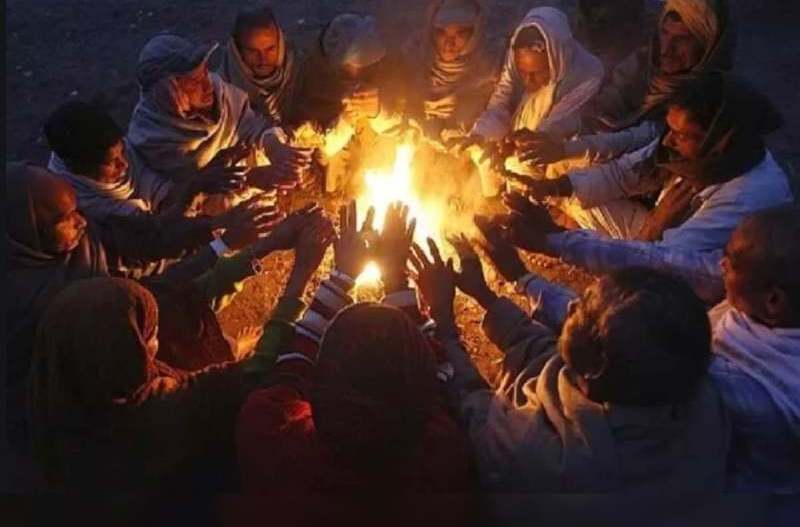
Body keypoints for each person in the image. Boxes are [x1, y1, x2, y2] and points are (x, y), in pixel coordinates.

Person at [488, 205, 800, 493]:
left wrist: (521, 281)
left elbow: (612, 339)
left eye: (730, 262)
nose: (720, 263)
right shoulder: (766, 300)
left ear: (773, 301)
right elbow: (663, 262)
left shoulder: (744, 395)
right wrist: (554, 240)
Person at [410, 233, 727, 510]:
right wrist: (485, 296)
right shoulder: (678, 391)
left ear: (593, 369)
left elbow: (469, 407)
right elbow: (548, 359)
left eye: (585, 305)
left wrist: (441, 320)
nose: (573, 307)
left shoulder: (539, 457)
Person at [27, 212, 335, 497]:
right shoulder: (159, 418)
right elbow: (255, 378)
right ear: (124, 357)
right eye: (150, 336)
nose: (157, 336)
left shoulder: (70, 372)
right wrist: (303, 276)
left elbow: (187, 297)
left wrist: (269, 244)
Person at [5, 162, 279, 453]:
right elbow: (141, 303)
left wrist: (216, 225)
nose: (82, 221)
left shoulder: (75, 239)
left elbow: (145, 236)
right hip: (92, 392)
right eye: (65, 218)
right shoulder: (35, 307)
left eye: (76, 209)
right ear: (29, 230)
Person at [236, 202, 473, 522]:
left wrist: (341, 276)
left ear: (316, 388)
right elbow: (443, 379)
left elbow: (290, 368)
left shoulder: (269, 434)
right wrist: (396, 278)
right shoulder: (444, 459)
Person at [513, 74, 791, 251]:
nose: (668, 141)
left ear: (718, 141)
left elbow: (671, 261)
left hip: (693, 275)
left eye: (681, 135)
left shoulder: (745, 197)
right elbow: (621, 175)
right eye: (670, 129)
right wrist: (551, 188)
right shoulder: (697, 157)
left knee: (628, 271)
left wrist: (654, 228)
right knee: (574, 189)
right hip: (663, 230)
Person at [127, 33, 310, 189]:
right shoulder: (153, 137)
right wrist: (252, 178)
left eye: (205, 72)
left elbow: (251, 124)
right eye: (194, 83)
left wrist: (274, 147)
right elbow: (188, 189)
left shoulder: (217, 91)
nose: (207, 85)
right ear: (170, 94)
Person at [462, 6, 604, 196]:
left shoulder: (588, 74)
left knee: (520, 164)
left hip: (565, 146)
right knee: (480, 150)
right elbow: (503, 97)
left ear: (556, 58)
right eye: (522, 71)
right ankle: (492, 198)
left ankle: (526, 204)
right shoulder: (518, 52)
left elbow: (553, 128)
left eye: (536, 73)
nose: (527, 81)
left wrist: (509, 147)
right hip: (523, 131)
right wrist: (481, 135)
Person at [45, 101, 246, 221]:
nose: (124, 164)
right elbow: (155, 232)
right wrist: (198, 184)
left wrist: (209, 176)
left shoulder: (115, 151)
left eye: (122, 152)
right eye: (112, 162)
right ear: (77, 166)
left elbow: (163, 194)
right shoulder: (81, 202)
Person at [291, 13, 408, 193]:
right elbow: (317, 151)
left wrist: (377, 112)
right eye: (347, 72)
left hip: (376, 164)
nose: (356, 78)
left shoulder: (388, 75)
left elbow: (403, 126)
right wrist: (345, 121)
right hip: (338, 175)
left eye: (364, 70)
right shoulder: (313, 81)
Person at [586, 0, 736, 131]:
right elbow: (617, 95)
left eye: (681, 39)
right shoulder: (641, 65)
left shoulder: (714, 103)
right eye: (664, 33)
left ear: (708, 45)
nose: (666, 49)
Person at [403, 0, 497, 145]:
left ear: (474, 33)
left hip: (467, 147)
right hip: (417, 142)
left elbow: (497, 118)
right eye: (442, 32)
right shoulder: (416, 56)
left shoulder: (491, 67)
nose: (448, 43)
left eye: (460, 34)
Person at [218, 5, 300, 126]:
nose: (263, 58)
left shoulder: (303, 74)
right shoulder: (219, 91)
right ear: (237, 50)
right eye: (252, 51)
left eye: (270, 49)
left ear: (280, 43)